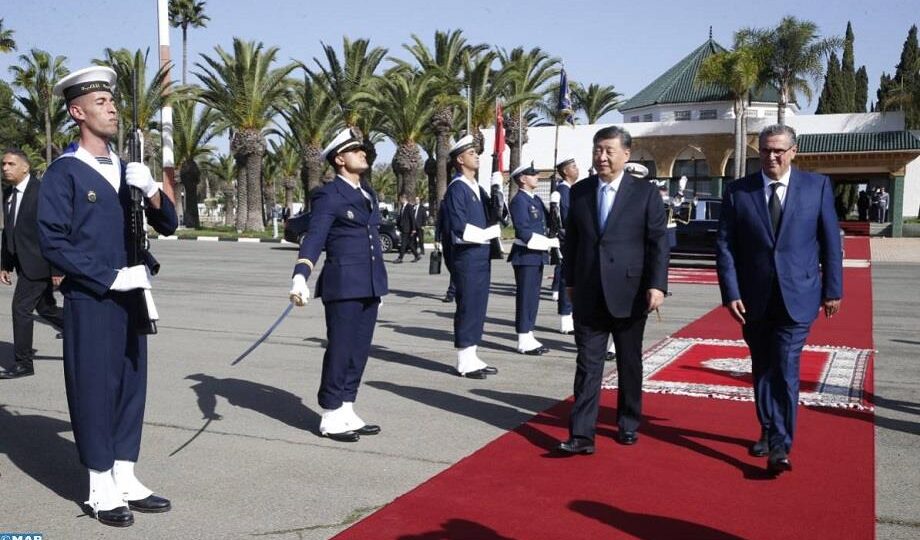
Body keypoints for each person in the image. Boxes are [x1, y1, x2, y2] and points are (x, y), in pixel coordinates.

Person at [38, 66, 178, 526]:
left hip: (133, 294)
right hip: (93, 297)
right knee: (95, 388)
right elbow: (53, 242)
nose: (112, 107)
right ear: (77, 112)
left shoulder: (127, 169)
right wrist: (107, 276)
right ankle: (100, 485)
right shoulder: (65, 172)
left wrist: (153, 189)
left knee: (131, 385)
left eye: (112, 100)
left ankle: (126, 473)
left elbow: (170, 224)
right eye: (100, 102)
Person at [716, 124, 842, 476]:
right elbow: (725, 246)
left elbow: (830, 241)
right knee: (762, 368)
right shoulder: (738, 192)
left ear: (793, 151)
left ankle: (780, 446)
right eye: (766, 151)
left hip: (798, 295)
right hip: (753, 300)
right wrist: (731, 292)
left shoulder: (816, 187)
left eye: (779, 151)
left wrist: (834, 289)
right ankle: (769, 429)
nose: (772, 157)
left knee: (785, 366)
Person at [556, 126, 669, 455]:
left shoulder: (645, 193)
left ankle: (629, 421)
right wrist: (570, 282)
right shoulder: (580, 192)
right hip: (589, 292)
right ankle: (581, 434)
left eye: (608, 150)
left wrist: (657, 284)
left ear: (626, 154)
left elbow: (658, 242)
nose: (601, 157)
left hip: (630, 292)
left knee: (629, 362)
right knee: (587, 365)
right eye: (597, 150)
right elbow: (573, 241)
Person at [289, 127, 388, 443]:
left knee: (358, 352)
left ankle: (347, 407)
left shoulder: (366, 193)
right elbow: (315, 237)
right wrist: (300, 275)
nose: (363, 153)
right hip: (343, 285)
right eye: (355, 150)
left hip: (369, 285)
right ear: (339, 158)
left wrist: (377, 286)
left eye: (362, 149)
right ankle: (330, 414)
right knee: (341, 349)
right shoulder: (329, 195)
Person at [441, 134, 501, 379]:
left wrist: (498, 189)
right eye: (471, 153)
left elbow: (496, 213)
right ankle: (464, 360)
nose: (476, 156)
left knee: (478, 306)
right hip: (467, 256)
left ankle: (473, 353)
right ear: (459, 159)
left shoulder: (477, 187)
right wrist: (487, 234)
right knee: (467, 306)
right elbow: (458, 226)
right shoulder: (457, 188)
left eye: (476, 152)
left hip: (480, 255)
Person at [1, 148, 64, 379]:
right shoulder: (8, 192)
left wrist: (57, 268)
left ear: (25, 167)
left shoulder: (41, 191)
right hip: (22, 262)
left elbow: (54, 230)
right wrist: (4, 264)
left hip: (39, 263)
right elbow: (9, 230)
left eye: (11, 164)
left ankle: (23, 363)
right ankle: (84, 333)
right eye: (4, 164)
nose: (5, 168)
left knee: (20, 309)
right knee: (46, 309)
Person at [508, 162, 555, 355]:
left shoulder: (534, 200)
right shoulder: (519, 201)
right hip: (526, 255)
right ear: (522, 179)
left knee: (533, 297)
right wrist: (549, 243)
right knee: (526, 297)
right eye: (532, 174)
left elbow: (548, 222)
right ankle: (523, 337)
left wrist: (554, 204)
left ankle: (529, 334)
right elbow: (523, 231)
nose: (537, 177)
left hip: (536, 256)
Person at [552, 156, 578, 335]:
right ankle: (565, 318)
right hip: (567, 239)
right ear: (566, 171)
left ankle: (569, 316)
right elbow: (569, 217)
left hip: (570, 238)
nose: (577, 169)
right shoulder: (564, 190)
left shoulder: (569, 189)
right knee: (566, 278)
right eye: (573, 167)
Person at [434, 197, 456, 303]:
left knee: (455, 265)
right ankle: (458, 283)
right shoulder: (444, 203)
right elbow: (439, 221)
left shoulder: (462, 201)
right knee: (448, 263)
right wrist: (437, 238)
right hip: (446, 239)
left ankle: (451, 292)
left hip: (458, 240)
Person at [394, 195, 418, 263]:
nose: (400, 200)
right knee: (409, 244)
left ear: (404, 199)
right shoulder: (402, 207)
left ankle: (400, 258)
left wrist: (413, 229)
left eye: (400, 199)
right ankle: (417, 255)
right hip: (403, 228)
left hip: (407, 229)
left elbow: (412, 218)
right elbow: (401, 217)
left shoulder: (409, 206)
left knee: (403, 244)